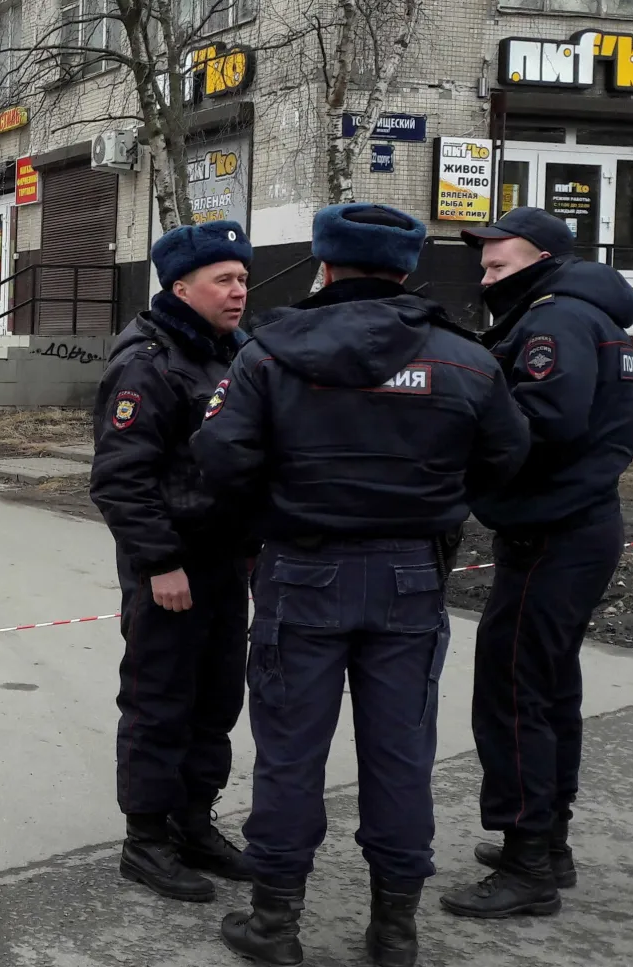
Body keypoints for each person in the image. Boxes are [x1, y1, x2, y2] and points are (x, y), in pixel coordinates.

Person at [191, 203, 531, 967]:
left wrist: (275, 505)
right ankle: (394, 929)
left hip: (301, 569)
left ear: (325, 265)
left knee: (288, 752)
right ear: (406, 270)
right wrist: (434, 496)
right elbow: (507, 455)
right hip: (412, 573)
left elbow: (219, 456)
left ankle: (275, 923)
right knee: (401, 753)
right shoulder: (465, 358)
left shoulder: (269, 354)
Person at [439, 207, 633, 920]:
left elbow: (543, 421)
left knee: (515, 690)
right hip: (576, 527)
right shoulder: (583, 314)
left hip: (553, 533)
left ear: (544, 259)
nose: (486, 276)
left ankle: (528, 862)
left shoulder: (554, 321)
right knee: (549, 687)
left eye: (499, 265)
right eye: (485, 265)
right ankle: (548, 840)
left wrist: (457, 436)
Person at [89, 220, 257, 903]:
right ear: (180, 286)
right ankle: (147, 841)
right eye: (224, 279)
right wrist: (160, 562)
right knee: (160, 701)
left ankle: (193, 822)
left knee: (216, 699)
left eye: (243, 277)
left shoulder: (232, 353)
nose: (239, 290)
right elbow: (120, 477)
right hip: (170, 566)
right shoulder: (148, 361)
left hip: (224, 561)